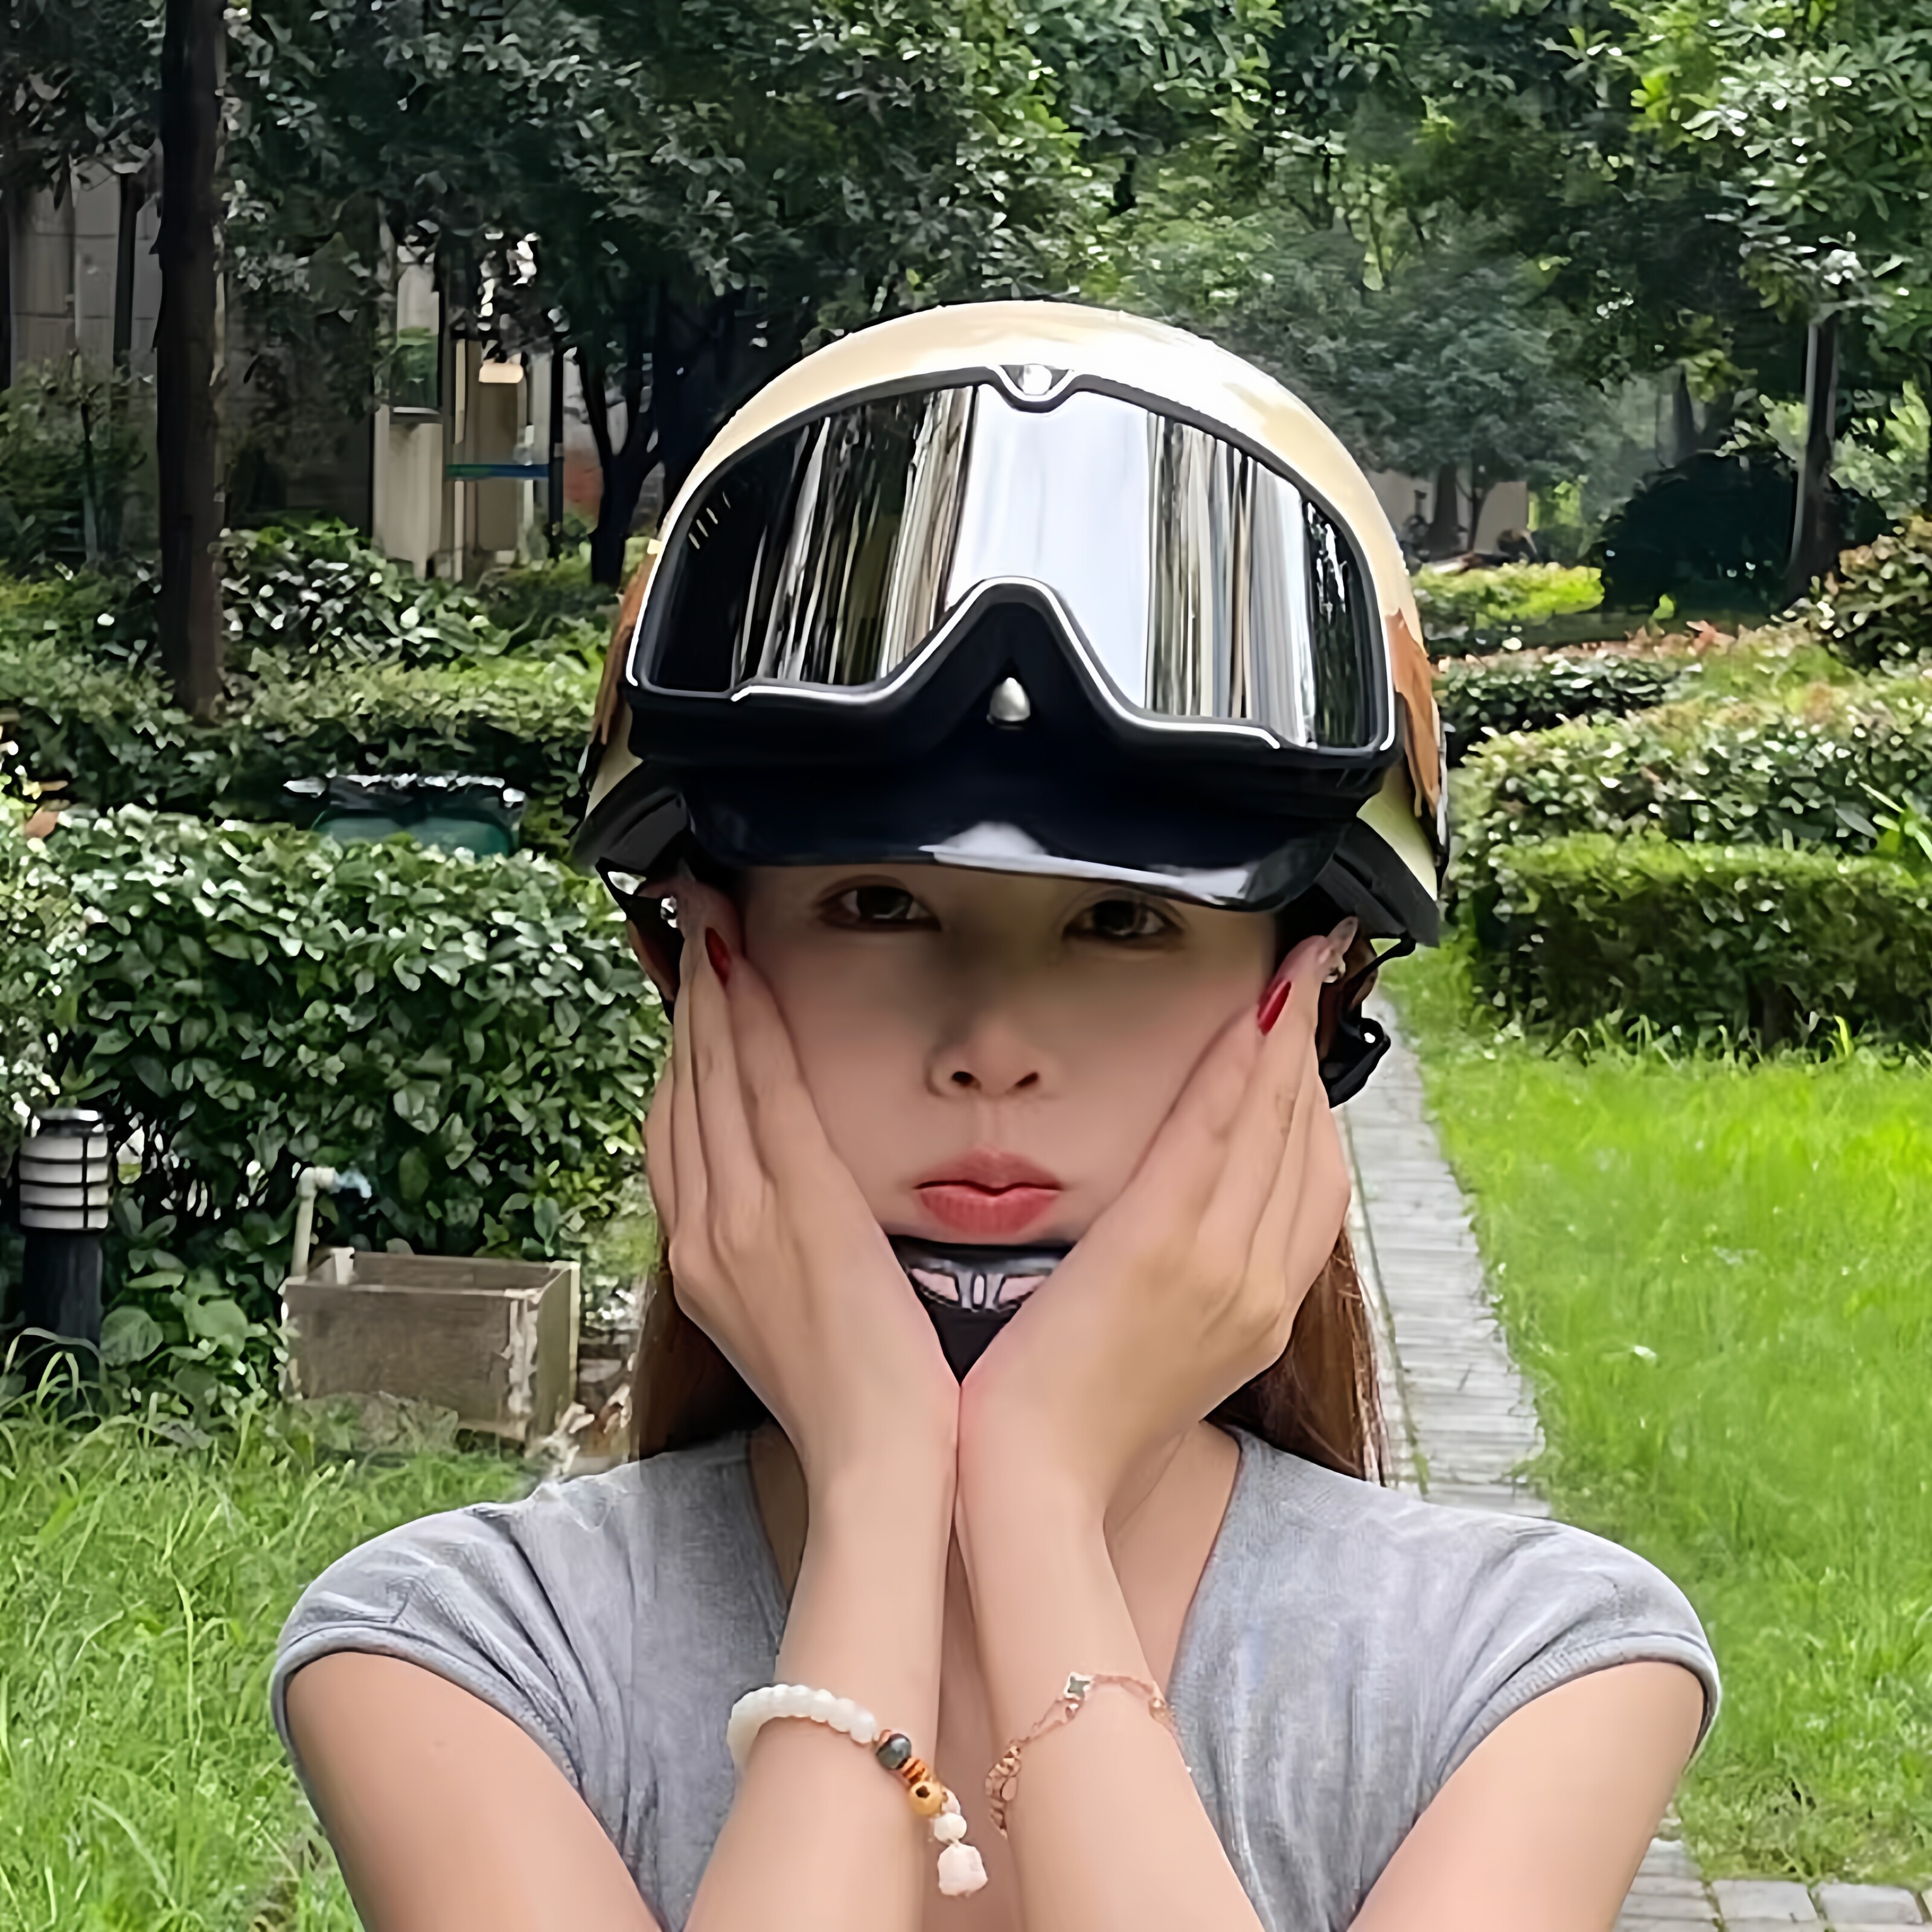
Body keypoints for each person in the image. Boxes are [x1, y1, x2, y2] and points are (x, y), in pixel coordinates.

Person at [273, 304, 1716, 1932]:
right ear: (700, 971)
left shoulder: (1530, 1672)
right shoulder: (457, 1655)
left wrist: (1027, 1501)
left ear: (1312, 1003)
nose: (992, 1047)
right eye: (880, 905)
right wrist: (886, 1493)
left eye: (1125, 922)